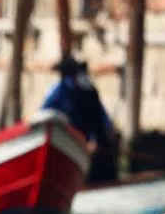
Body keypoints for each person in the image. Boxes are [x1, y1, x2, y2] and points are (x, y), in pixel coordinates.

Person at [41, 55, 118, 183]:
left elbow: (98, 118)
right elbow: (46, 111)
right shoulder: (62, 90)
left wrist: (94, 140)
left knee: (101, 171)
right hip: (74, 141)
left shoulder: (87, 92)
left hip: (91, 143)